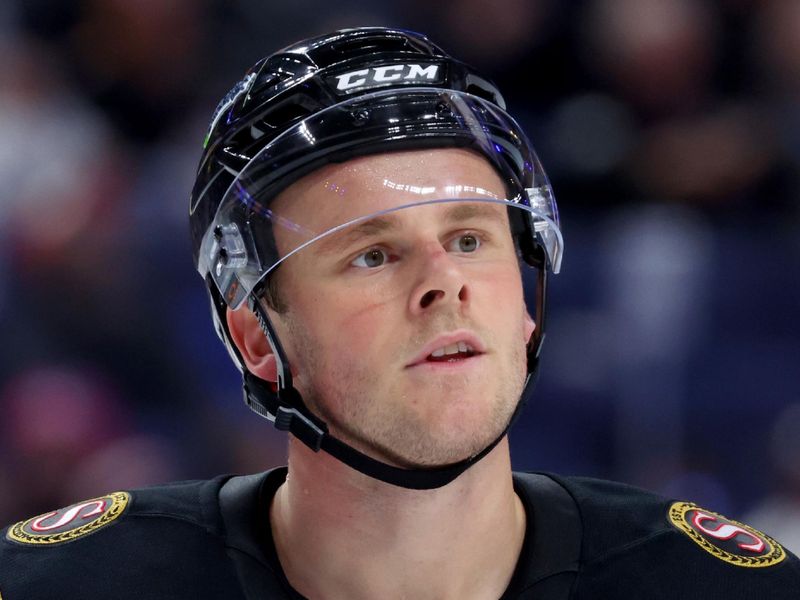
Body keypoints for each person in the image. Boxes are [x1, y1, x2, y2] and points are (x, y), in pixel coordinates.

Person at [1, 27, 799, 600]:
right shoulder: (67, 584)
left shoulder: (719, 587)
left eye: (470, 239)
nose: (444, 284)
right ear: (257, 341)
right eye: (372, 255)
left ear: (526, 306)